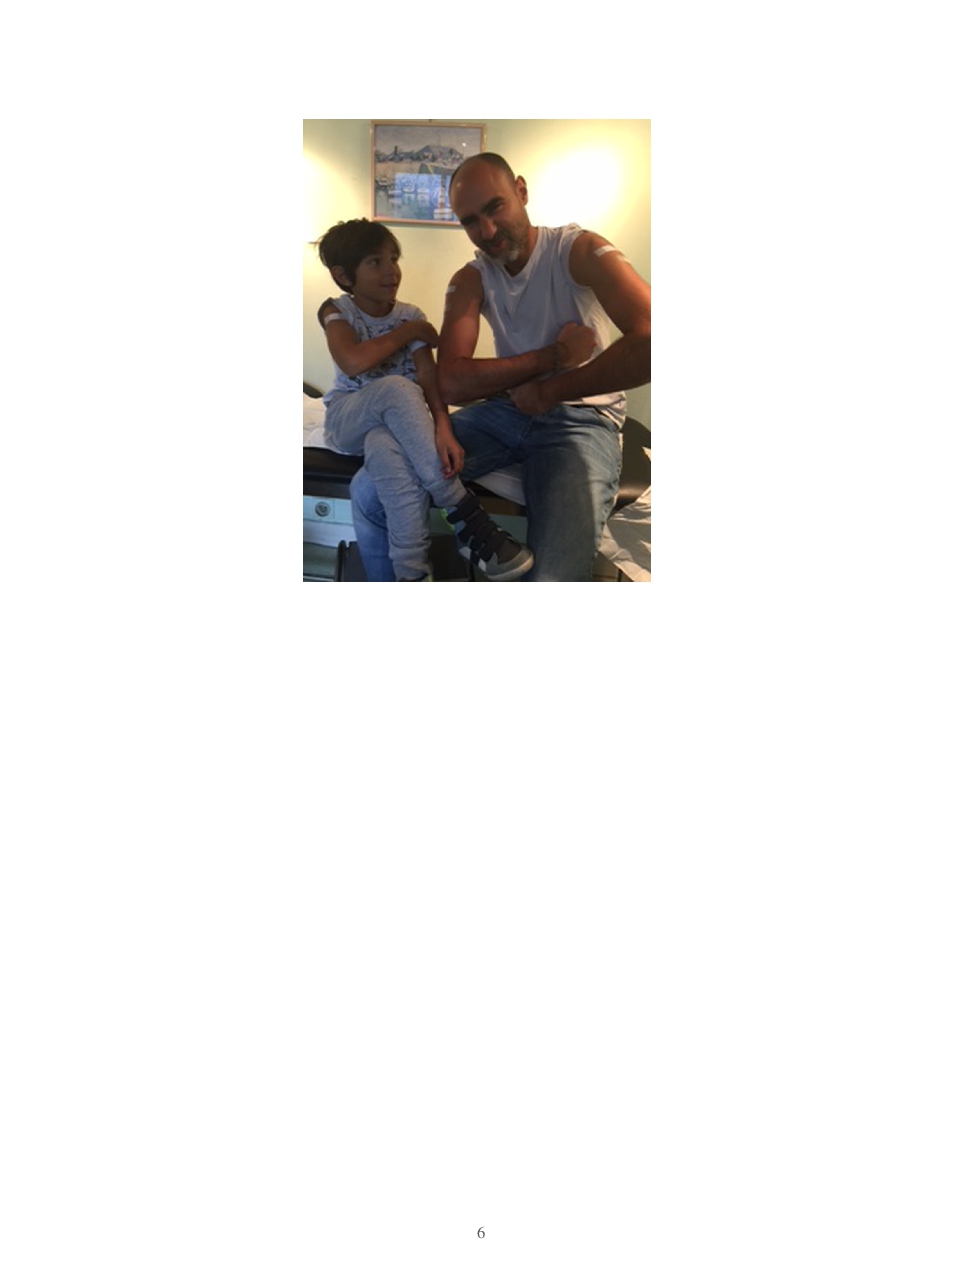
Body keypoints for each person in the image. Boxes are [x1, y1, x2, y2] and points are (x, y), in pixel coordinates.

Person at [350, 154, 651, 581]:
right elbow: (452, 381)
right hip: (509, 410)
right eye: (471, 221)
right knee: (368, 492)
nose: (488, 232)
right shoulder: (471, 277)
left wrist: (549, 391)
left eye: (495, 207)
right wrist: (553, 358)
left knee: (554, 580)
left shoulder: (578, 250)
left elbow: (652, 339)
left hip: (583, 419)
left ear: (521, 191)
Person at [315, 218, 534, 581]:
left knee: (386, 453)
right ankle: (463, 511)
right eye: (375, 262)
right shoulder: (337, 311)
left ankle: (412, 575)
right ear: (343, 275)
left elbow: (429, 379)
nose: (391, 271)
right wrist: (410, 332)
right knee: (397, 387)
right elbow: (352, 361)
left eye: (393, 259)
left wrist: (442, 426)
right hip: (347, 421)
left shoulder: (410, 315)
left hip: (388, 428)